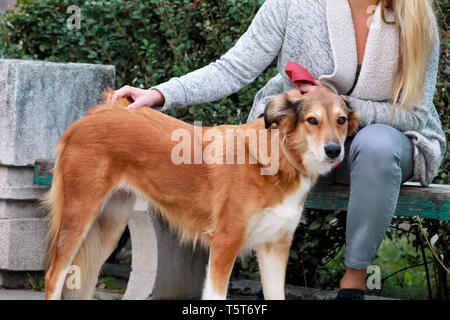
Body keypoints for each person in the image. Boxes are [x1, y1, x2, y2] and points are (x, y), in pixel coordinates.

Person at [109, 0, 445, 300]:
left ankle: (353, 284)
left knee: (378, 149)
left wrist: (338, 106)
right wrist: (161, 94)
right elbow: (233, 67)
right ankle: (271, 288)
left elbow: (415, 111)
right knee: (267, 152)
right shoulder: (293, 5)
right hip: (295, 139)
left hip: (377, 145)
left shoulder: (416, 18)